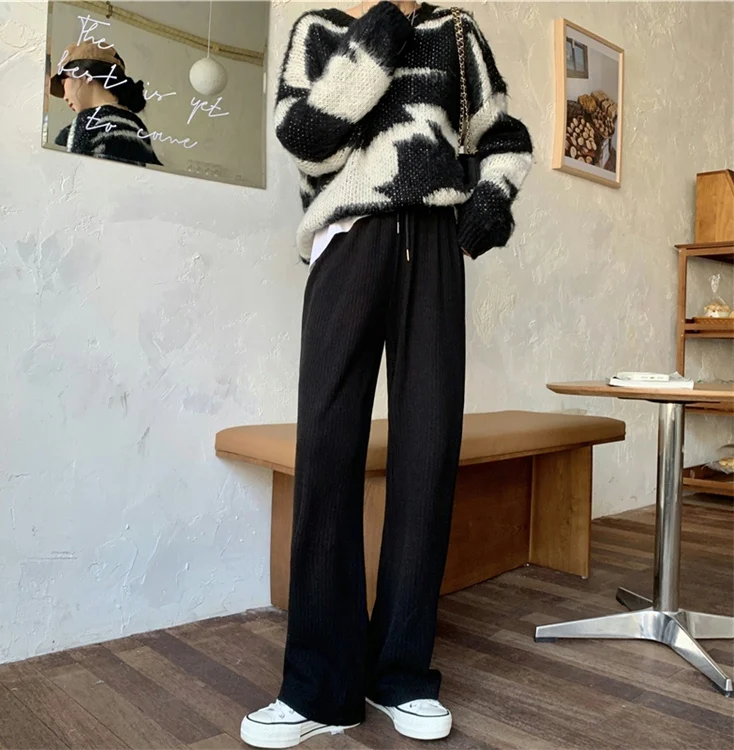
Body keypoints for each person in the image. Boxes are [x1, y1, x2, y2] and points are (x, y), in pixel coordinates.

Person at [241, 2, 532, 747]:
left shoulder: (456, 32)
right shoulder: (318, 31)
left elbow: (502, 135)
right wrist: (386, 24)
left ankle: (400, 674)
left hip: (432, 243)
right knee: (327, 451)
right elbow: (307, 138)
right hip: (348, 240)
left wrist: (491, 201)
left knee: (427, 454)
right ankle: (319, 688)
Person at [49, 41, 162, 166]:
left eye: (63, 82)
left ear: (86, 75)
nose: (64, 96)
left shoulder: (88, 124)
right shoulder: (138, 128)